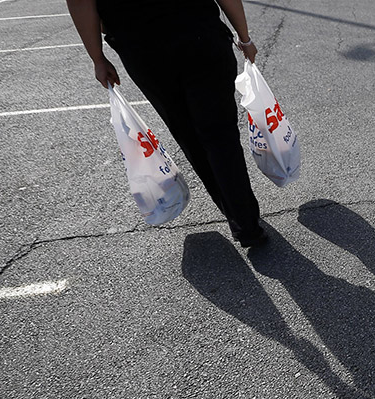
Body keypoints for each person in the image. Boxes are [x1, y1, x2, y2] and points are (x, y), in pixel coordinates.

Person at [66, 0, 269, 247]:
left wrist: (97, 58)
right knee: (219, 133)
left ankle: (236, 211)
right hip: (200, 33)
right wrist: (244, 37)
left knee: (188, 132)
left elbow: (81, 3)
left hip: (143, 47)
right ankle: (245, 221)